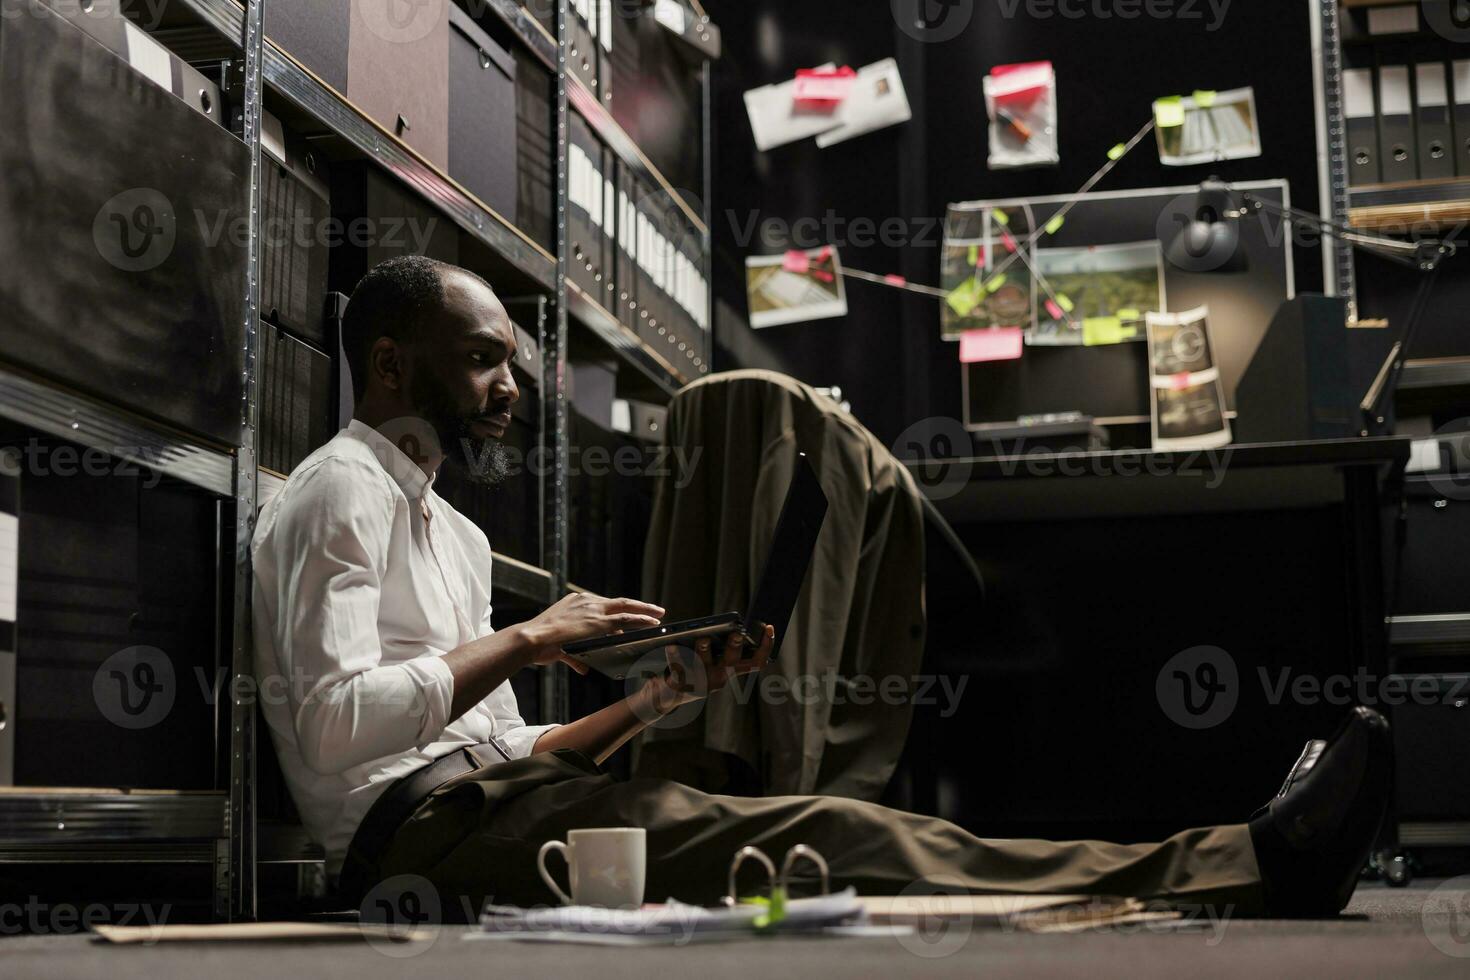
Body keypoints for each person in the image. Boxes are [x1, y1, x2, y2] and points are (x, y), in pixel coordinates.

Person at [252, 256, 1392, 920]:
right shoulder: (334, 492)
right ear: (392, 364)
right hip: (407, 839)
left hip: (488, 806)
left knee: (812, 842)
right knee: (828, 835)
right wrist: (534, 639)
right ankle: (1235, 866)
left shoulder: (448, 529)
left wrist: (652, 701)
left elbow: (512, 755)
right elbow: (335, 722)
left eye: (510, 358)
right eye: (480, 358)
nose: (509, 387)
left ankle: (1211, 871)